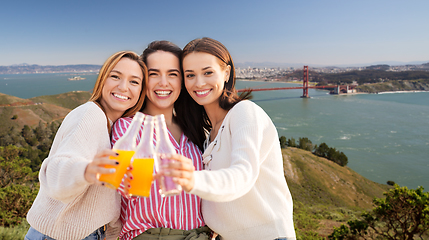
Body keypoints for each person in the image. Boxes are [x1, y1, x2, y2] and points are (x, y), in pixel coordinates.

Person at [160, 37, 296, 240]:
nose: (199, 83)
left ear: (226, 73)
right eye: (190, 75)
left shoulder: (245, 112)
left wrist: (192, 179)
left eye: (208, 72)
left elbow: (242, 176)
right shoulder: (209, 133)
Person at [25, 51, 147, 240]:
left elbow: (120, 194)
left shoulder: (118, 128)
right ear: (102, 80)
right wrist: (87, 171)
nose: (123, 87)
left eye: (134, 81)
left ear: (141, 90)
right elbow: (57, 170)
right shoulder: (90, 114)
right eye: (115, 76)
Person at [111, 40, 210, 240]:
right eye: (153, 74)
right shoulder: (128, 128)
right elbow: (124, 185)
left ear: (182, 81)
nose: (163, 83)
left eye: (172, 74)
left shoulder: (197, 132)